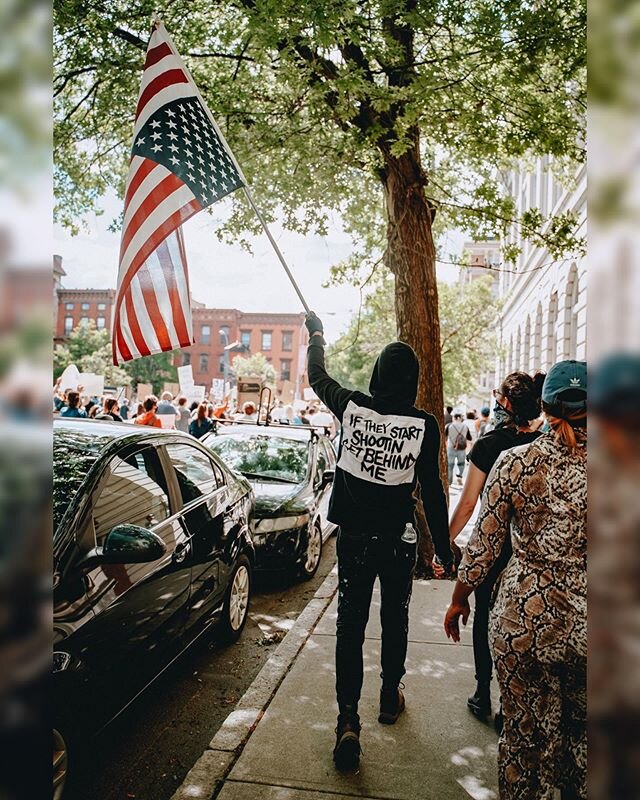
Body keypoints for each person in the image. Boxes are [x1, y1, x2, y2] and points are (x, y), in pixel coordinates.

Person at [305, 311, 452, 772]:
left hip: (353, 542)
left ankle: (348, 719)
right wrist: (445, 552)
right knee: (396, 618)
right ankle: (390, 696)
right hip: (397, 542)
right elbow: (432, 491)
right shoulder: (424, 425)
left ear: (377, 375)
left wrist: (316, 336)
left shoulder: (351, 407)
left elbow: (316, 377)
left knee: (349, 627)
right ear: (412, 380)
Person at [444, 360, 587, 800]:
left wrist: (459, 598)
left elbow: (482, 547)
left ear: (544, 405)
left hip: (523, 621)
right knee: (583, 743)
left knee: (523, 737)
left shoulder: (514, 463)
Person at [446, 371, 545, 721]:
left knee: (484, 618)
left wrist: (446, 541)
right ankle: (509, 701)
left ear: (503, 402)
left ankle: (482, 691)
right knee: (520, 624)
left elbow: (469, 503)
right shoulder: (546, 443)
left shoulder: (488, 446)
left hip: (495, 548)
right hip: (530, 551)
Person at [445, 411, 471, 484]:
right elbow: (469, 438)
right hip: (462, 448)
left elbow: (444, 437)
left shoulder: (449, 426)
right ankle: (459, 476)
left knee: (450, 465)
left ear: (454, 418)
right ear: (460, 418)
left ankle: (449, 481)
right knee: (461, 464)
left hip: (451, 448)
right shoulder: (465, 426)